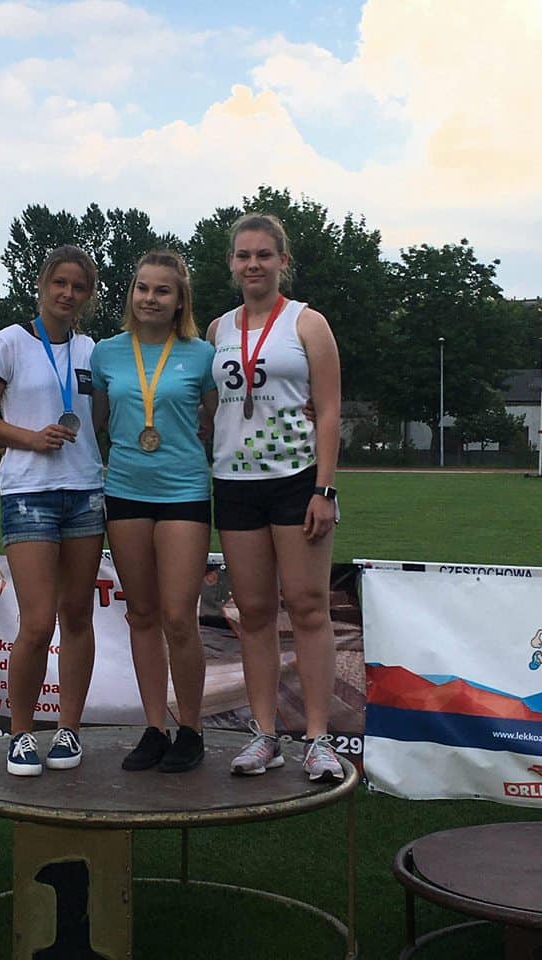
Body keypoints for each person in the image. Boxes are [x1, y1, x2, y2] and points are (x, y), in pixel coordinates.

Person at [206, 213, 344, 782]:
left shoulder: (307, 323)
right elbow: (208, 406)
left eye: (264, 254)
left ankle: (318, 738)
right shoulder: (217, 329)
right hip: (235, 485)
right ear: (231, 263)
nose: (253, 264)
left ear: (283, 261)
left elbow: (329, 410)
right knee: (256, 612)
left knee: (308, 607)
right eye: (243, 255)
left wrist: (324, 489)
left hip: (297, 479)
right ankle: (264, 734)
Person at [0, 246, 104, 776]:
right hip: (29, 493)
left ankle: (69, 729)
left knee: (78, 616)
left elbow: (104, 417)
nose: (67, 294)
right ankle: (20, 733)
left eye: (79, 287)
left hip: (85, 491)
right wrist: (28, 438)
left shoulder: (92, 350)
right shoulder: (10, 342)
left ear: (88, 296)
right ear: (42, 285)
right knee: (39, 621)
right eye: (59, 283)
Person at [91, 251, 217, 773]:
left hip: (183, 491)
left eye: (162, 290)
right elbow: (97, 420)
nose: (150, 298)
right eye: (142, 288)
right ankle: (154, 728)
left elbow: (222, 421)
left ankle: (191, 729)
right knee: (141, 614)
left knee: (178, 616)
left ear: (179, 299)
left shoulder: (202, 355)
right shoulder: (105, 353)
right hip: (124, 491)